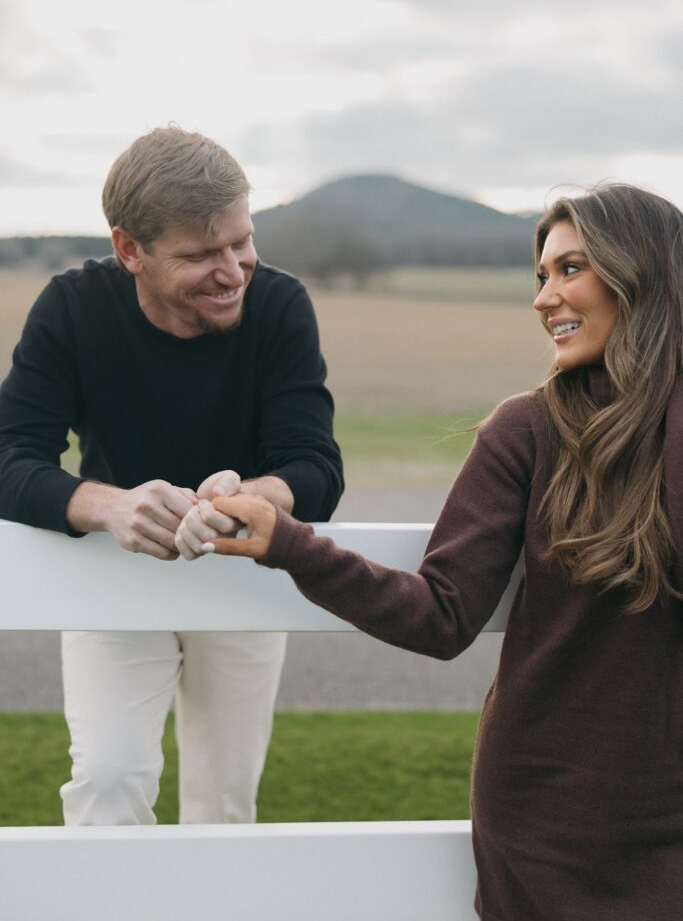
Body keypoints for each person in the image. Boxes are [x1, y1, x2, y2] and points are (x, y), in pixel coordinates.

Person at [178, 183, 683, 920]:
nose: (544, 298)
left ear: (642, 275)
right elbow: (440, 615)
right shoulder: (526, 431)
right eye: (541, 275)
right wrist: (292, 545)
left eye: (571, 268)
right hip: (547, 820)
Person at [0, 125, 343, 825]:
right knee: (107, 784)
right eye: (200, 255)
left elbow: (315, 469)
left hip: (244, 574)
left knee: (223, 805)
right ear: (130, 250)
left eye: (241, 242)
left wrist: (244, 497)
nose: (233, 270)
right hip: (111, 570)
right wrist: (109, 507)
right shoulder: (72, 307)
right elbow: (10, 456)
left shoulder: (280, 305)